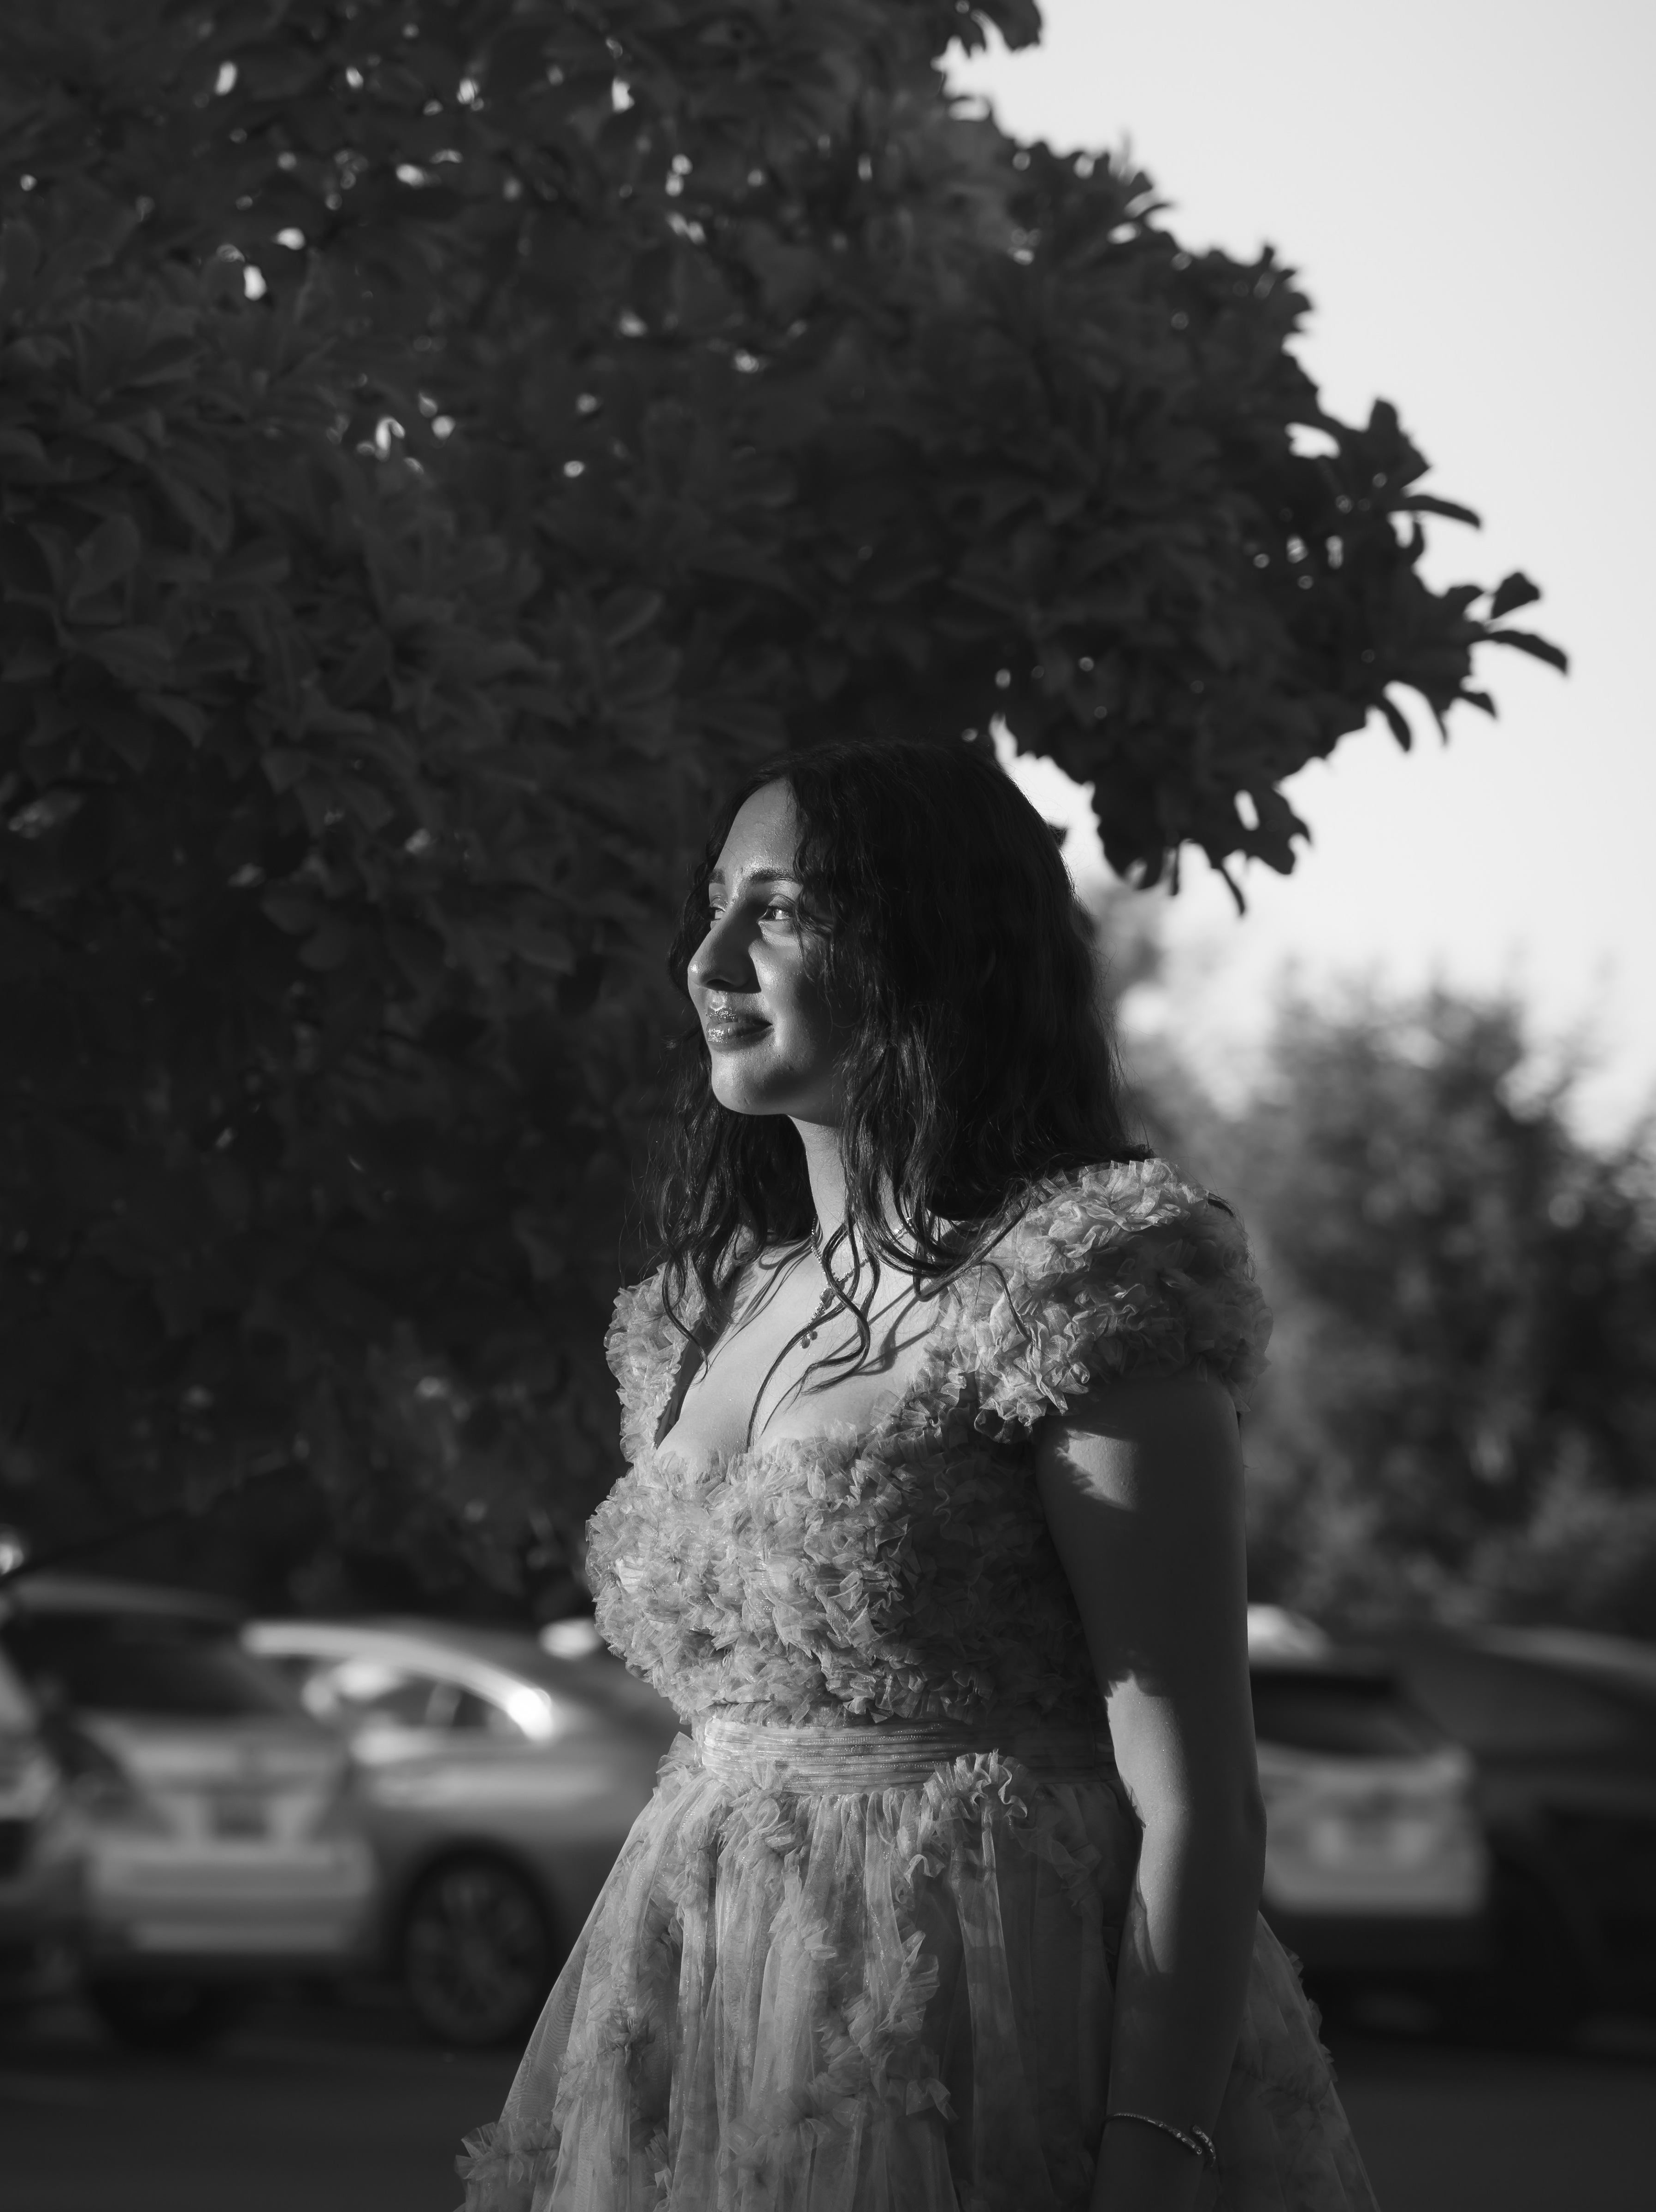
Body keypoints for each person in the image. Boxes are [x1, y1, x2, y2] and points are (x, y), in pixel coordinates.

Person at [461, 739, 1376, 2212]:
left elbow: (1202, 1804)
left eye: (778, 909)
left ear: (926, 941)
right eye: (713, 904)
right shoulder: (700, 1315)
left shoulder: (1082, 1290)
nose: (709, 960)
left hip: (1000, 2022)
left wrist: (1152, 2158)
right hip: (707, 2022)